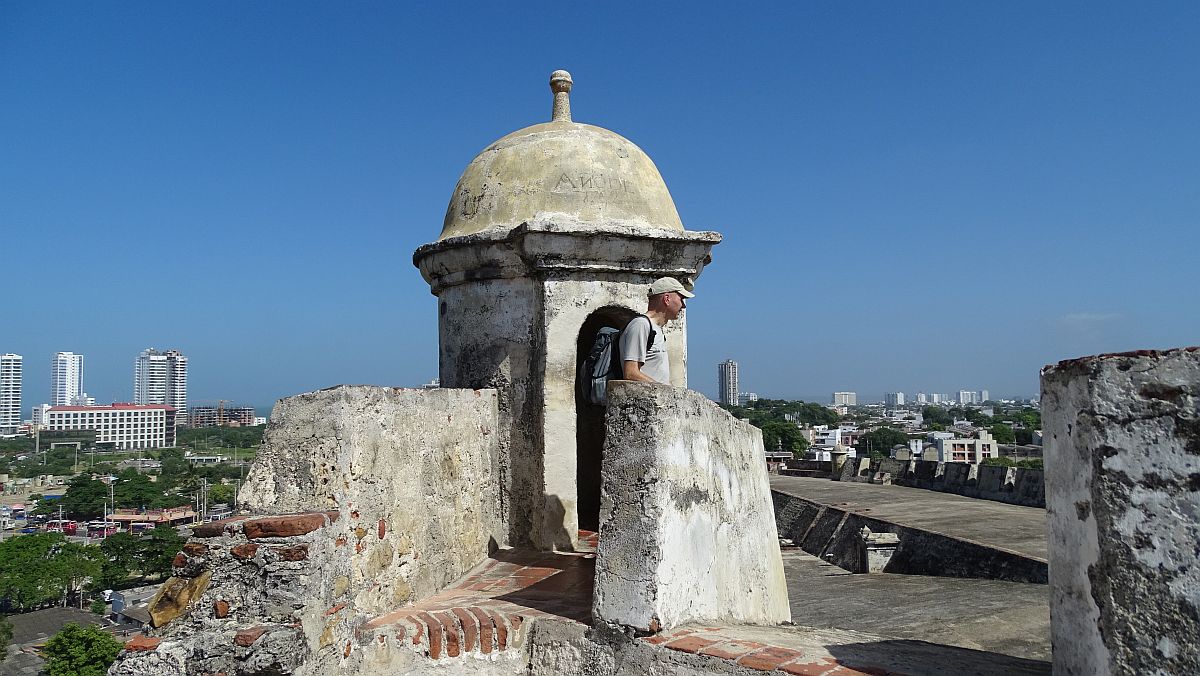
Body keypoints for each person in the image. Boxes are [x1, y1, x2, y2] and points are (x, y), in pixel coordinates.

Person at [620, 277, 694, 384]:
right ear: (667, 299)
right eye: (681, 299)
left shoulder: (655, 328)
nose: (683, 306)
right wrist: (663, 391)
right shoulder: (641, 325)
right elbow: (630, 373)